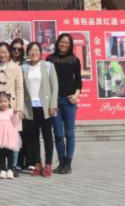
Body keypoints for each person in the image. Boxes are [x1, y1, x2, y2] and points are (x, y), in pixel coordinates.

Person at [21, 41, 58, 178]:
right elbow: (21, 89)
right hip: (30, 108)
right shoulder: (23, 67)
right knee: (33, 138)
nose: (34, 52)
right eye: (31, 50)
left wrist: (53, 105)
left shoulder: (48, 66)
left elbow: (55, 87)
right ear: (28, 53)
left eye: (36, 50)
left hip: (45, 107)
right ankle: (37, 164)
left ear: (40, 52)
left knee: (48, 136)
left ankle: (48, 164)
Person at [47, 32, 82, 174]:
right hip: (54, 102)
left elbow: (78, 80)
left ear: (70, 45)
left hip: (69, 101)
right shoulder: (50, 59)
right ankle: (61, 162)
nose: (64, 44)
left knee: (69, 133)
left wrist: (76, 95)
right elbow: (47, 81)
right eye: (62, 41)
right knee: (58, 133)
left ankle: (68, 163)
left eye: (67, 42)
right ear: (58, 43)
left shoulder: (74, 60)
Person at [0, 42, 23, 173]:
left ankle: (13, 167)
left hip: (12, 108)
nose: (3, 55)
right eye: (0, 52)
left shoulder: (16, 68)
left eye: (5, 52)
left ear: (9, 53)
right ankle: (2, 167)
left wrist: (19, 108)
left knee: (13, 137)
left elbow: (19, 89)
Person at [0, 91, 21, 179]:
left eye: (5, 101)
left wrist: (15, 114)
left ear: (9, 102)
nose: (3, 104)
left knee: (10, 153)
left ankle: (10, 169)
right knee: (0, 153)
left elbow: (15, 122)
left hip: (9, 136)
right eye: (1, 102)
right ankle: (2, 169)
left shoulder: (10, 112)